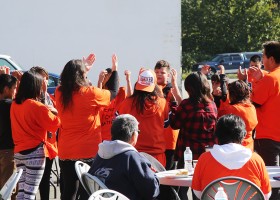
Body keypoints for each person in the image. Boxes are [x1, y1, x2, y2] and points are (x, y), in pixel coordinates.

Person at [55, 54, 114, 200]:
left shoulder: (59, 92)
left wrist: (84, 69)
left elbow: (73, 84)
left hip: (66, 150)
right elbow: (113, 93)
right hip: (88, 150)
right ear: (81, 76)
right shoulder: (90, 93)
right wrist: (116, 70)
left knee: (69, 191)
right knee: (88, 192)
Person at [191, 114, 271, 200]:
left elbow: (198, 192)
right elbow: (266, 194)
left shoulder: (204, 158)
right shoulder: (256, 160)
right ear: (243, 135)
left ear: (217, 135)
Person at [10, 71, 61, 200]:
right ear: (35, 87)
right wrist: (55, 112)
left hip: (19, 152)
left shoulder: (14, 105)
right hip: (35, 152)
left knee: (22, 192)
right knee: (30, 193)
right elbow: (55, 124)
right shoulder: (37, 106)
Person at [169, 71, 217, 200]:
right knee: (200, 188)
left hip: (187, 154)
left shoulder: (187, 105)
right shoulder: (212, 104)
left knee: (182, 188)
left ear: (189, 88)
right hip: (206, 155)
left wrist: (173, 106)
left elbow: (175, 124)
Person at [89, 114, 160, 200]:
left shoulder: (101, 152)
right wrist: (154, 176)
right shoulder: (132, 157)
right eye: (138, 131)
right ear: (134, 135)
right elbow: (151, 191)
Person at [115, 68, 169, 166]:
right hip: (157, 157)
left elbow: (117, 125)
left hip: (132, 155)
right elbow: (166, 124)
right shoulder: (163, 103)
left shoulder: (126, 103)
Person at [249, 41, 280, 199]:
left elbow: (254, 102)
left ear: (272, 59)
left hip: (268, 136)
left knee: (270, 180)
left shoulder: (270, 79)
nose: (262, 59)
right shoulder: (272, 77)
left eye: (264, 56)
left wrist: (255, 81)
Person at [29, 66, 58, 200]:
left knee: (45, 179)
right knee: (34, 182)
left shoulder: (49, 97)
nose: (45, 81)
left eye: (46, 79)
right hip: (37, 145)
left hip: (50, 145)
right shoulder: (32, 99)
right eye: (42, 79)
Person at [154, 60, 181, 170]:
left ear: (168, 75)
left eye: (162, 72)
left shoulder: (171, 89)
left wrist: (174, 85)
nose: (159, 74)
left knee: (169, 175)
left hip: (170, 140)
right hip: (155, 139)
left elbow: (181, 105)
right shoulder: (151, 89)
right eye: (157, 72)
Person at [218, 80, 257, 151]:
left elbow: (220, 117)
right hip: (249, 147)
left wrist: (224, 99)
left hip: (235, 148)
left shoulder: (232, 109)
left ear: (232, 94)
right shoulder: (252, 107)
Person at [0, 74, 18, 200]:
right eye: (14, 88)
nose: (15, 91)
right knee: (9, 189)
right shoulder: (11, 106)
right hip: (8, 151)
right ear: (6, 89)